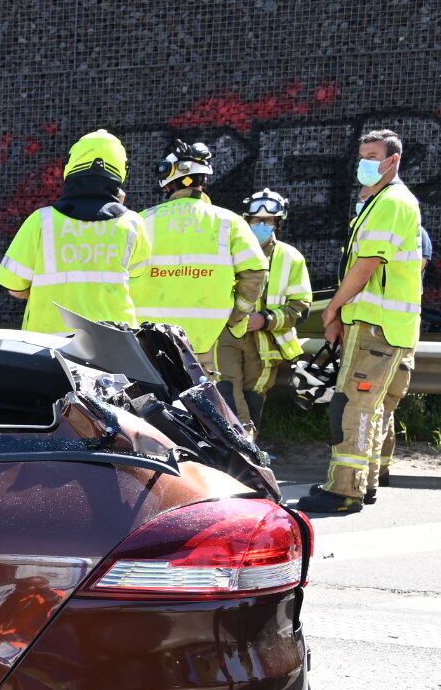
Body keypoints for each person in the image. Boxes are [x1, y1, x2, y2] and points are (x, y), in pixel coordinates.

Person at [295, 129, 424, 515]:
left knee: (352, 405)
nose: (364, 163)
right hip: (378, 322)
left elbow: (366, 267)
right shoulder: (380, 201)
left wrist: (333, 309)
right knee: (369, 406)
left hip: (377, 324)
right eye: (362, 156)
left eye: (373, 156)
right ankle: (362, 484)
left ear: (393, 161)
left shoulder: (392, 202)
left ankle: (344, 491)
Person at [131, 141, 267, 380]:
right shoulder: (229, 222)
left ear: (167, 183)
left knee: (149, 400)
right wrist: (235, 318)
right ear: (204, 181)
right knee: (199, 400)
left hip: (147, 343)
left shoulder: (140, 222)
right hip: (201, 346)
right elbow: (255, 273)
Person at [0, 129, 151, 333]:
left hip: (49, 341)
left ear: (70, 166)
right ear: (122, 170)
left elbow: (15, 288)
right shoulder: (133, 223)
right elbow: (136, 275)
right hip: (113, 341)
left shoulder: (41, 221)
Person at [219, 188, 313, 427]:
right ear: (247, 220)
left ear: (277, 223)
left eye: (268, 220)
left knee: (253, 396)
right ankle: (239, 442)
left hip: (265, 343)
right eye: (256, 220)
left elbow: (301, 306)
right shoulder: (226, 252)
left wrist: (265, 319)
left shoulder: (290, 257)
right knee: (227, 391)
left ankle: (247, 442)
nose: (261, 225)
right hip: (226, 334)